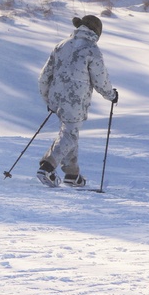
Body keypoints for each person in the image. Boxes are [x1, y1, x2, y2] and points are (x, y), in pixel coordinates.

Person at [37, 14, 118, 188]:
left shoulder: (62, 45)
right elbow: (100, 79)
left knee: (70, 132)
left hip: (57, 98)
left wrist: (48, 98)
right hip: (75, 100)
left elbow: (45, 75)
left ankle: (72, 174)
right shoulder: (92, 50)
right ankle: (48, 166)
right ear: (96, 32)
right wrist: (111, 95)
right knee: (70, 133)